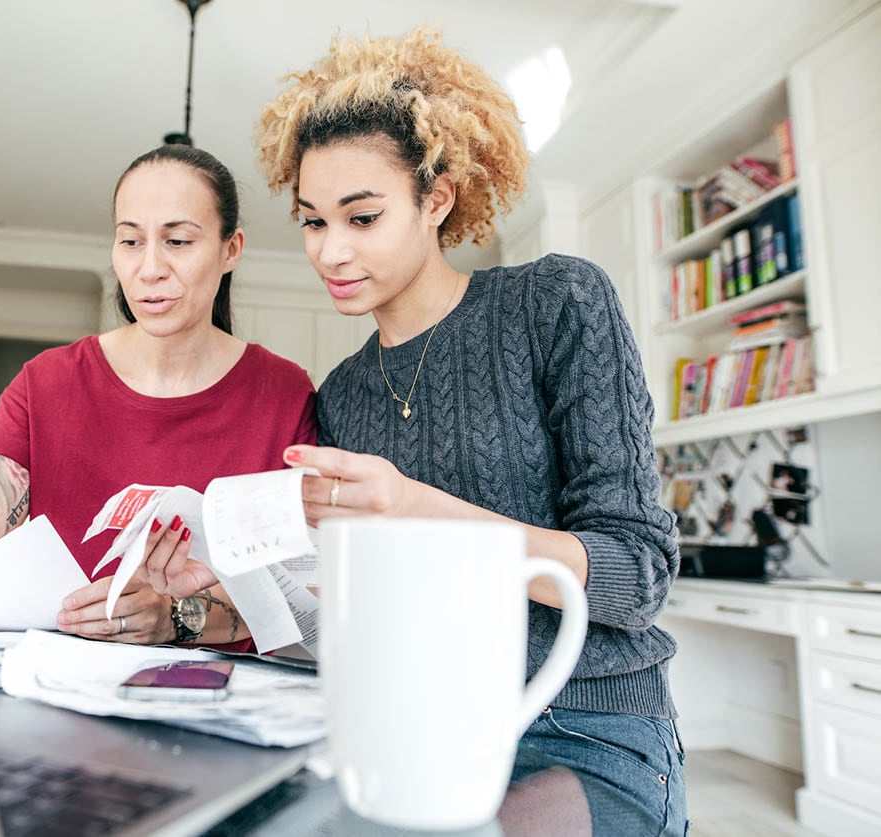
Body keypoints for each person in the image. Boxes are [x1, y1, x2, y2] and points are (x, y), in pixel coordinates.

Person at [261, 27, 683, 834]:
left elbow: (638, 575)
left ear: (437, 199)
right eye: (313, 221)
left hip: (585, 728)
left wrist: (414, 509)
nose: (331, 250)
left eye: (362, 216)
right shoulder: (343, 392)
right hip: (418, 725)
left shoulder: (556, 303)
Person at [0, 144, 317, 652]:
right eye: (130, 240)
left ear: (230, 249)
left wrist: (174, 618)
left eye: (178, 240)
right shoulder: (46, 383)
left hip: (208, 702)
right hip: (55, 686)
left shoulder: (284, 395)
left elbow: (295, 593)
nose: (149, 269)